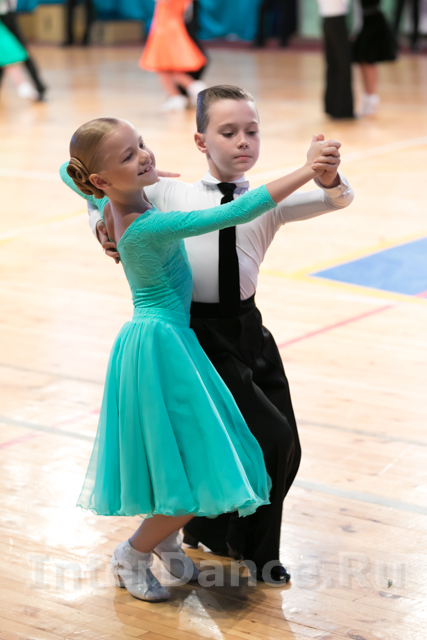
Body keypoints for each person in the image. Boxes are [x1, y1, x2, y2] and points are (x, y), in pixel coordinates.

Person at [61, 86, 354, 584]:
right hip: (186, 338)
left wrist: (327, 176)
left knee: (276, 445)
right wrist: (98, 223)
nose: (243, 141)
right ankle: (218, 544)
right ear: (200, 140)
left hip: (243, 328)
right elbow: (85, 182)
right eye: (228, 131)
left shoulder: (152, 191)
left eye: (252, 131)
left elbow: (337, 199)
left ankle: (196, 536)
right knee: (236, 446)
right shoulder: (161, 198)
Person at [139, 0, 207, 112]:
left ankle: (189, 91)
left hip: (166, 30)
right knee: (166, 68)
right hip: (168, 28)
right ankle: (179, 95)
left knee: (164, 67)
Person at [354, 0, 397, 116]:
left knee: (369, 61)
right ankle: (367, 97)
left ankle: (372, 99)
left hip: (373, 22)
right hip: (364, 21)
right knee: (362, 61)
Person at [0, 0, 47, 101]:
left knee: (17, 53)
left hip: (7, 16)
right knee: (8, 55)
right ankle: (27, 87)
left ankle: (36, 87)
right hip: (3, 18)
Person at [316, 0, 354, 119]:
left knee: (333, 65)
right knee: (343, 65)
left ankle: (332, 107)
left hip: (327, 20)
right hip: (337, 20)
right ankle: (342, 110)